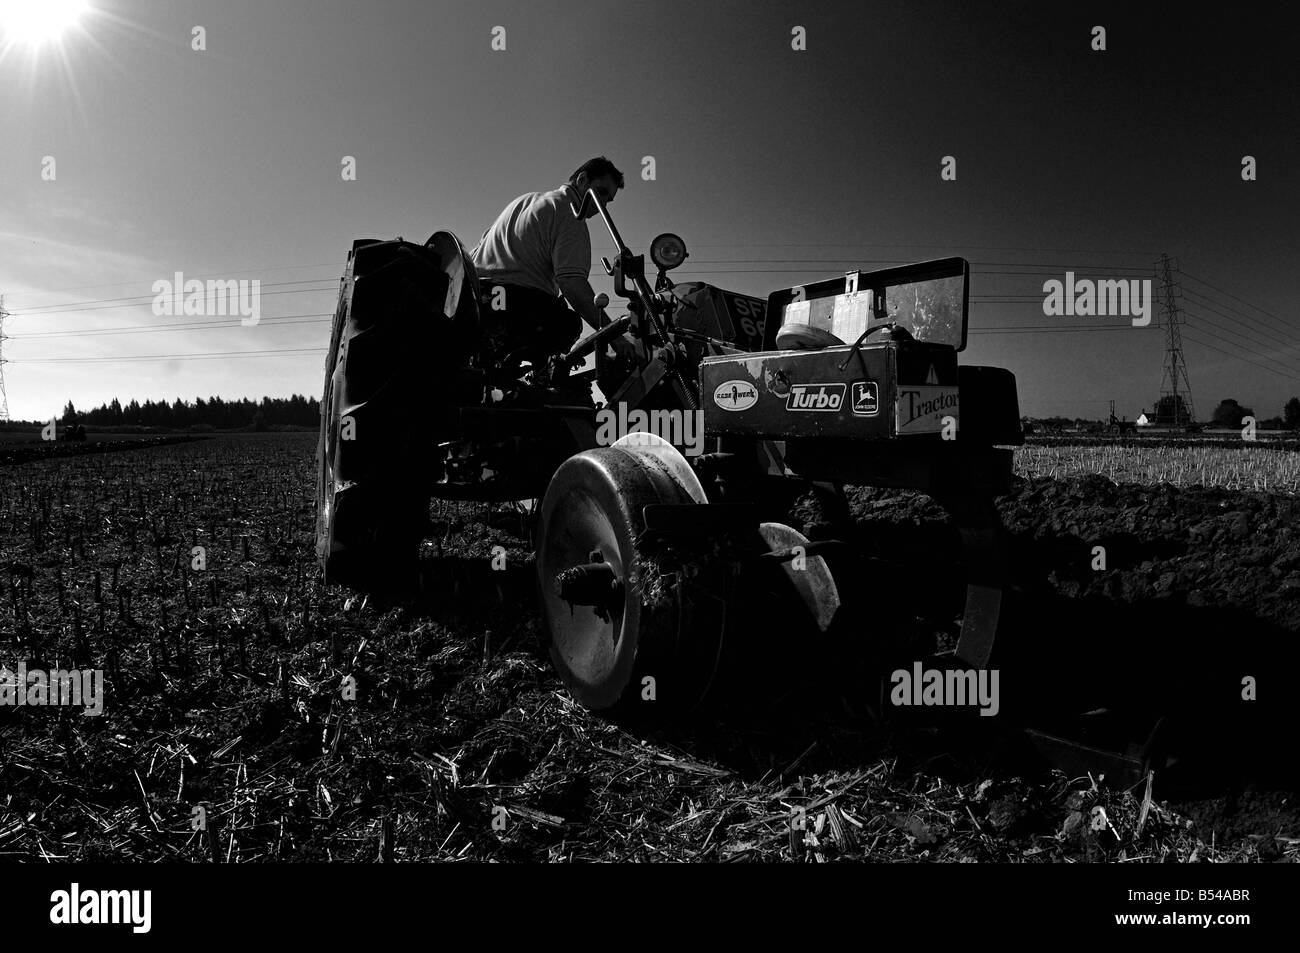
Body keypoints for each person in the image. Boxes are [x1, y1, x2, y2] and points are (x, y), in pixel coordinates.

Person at [471, 156, 632, 366]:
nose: (602, 204)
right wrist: (613, 336)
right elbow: (571, 283)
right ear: (582, 179)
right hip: (512, 305)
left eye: (608, 200)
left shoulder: (523, 202)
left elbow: (477, 251)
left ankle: (501, 374)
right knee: (567, 324)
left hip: (481, 300)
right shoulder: (571, 213)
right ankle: (540, 385)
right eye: (601, 192)